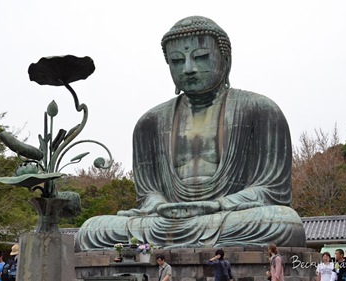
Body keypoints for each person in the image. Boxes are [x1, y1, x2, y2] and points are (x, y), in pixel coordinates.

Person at [76, 15, 306, 250]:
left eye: (201, 57)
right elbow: (149, 194)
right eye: (176, 61)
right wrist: (159, 205)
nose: (188, 69)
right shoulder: (149, 123)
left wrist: (217, 205)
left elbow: (272, 191)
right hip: (165, 222)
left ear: (225, 60)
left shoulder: (259, 109)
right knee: (92, 230)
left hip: (228, 216)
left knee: (283, 223)